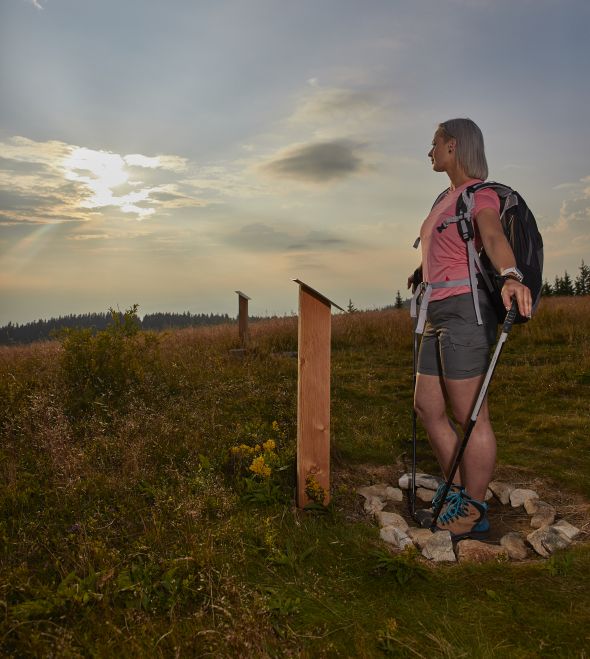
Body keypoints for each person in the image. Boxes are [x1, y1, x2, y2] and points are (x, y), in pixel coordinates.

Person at [408, 118, 532, 540]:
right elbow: (449, 247)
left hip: (464, 311)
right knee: (427, 406)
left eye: (434, 143)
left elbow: (492, 236)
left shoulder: (481, 194)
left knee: (469, 415)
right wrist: (420, 271)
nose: (430, 151)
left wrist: (511, 274)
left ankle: (473, 511)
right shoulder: (445, 197)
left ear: (454, 146)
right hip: (434, 310)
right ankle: (460, 491)